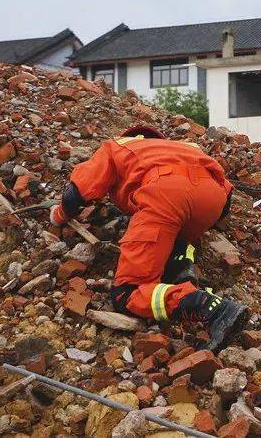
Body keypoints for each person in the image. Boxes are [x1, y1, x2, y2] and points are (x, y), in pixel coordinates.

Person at [50, 125, 249, 351]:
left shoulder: (117, 145)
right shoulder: (185, 147)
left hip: (164, 193)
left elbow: (75, 194)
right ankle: (181, 265)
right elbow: (227, 198)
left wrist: (58, 215)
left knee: (127, 293)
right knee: (176, 235)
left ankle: (207, 306)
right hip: (212, 199)